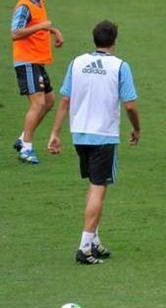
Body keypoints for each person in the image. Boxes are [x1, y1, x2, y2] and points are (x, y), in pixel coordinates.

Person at [47, 20, 140, 265]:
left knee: (94, 186)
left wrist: (55, 133)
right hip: (104, 135)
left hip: (79, 133)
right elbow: (130, 105)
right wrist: (137, 128)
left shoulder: (76, 62)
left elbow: (65, 100)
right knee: (98, 188)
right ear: (115, 41)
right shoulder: (120, 66)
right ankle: (84, 247)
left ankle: (94, 240)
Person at [11, 0, 64, 164]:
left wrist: (54, 31)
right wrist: (42, 27)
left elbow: (40, 24)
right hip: (26, 61)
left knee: (49, 101)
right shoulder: (25, 6)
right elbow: (16, 33)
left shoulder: (39, 2)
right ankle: (26, 148)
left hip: (37, 61)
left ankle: (23, 137)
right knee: (38, 103)